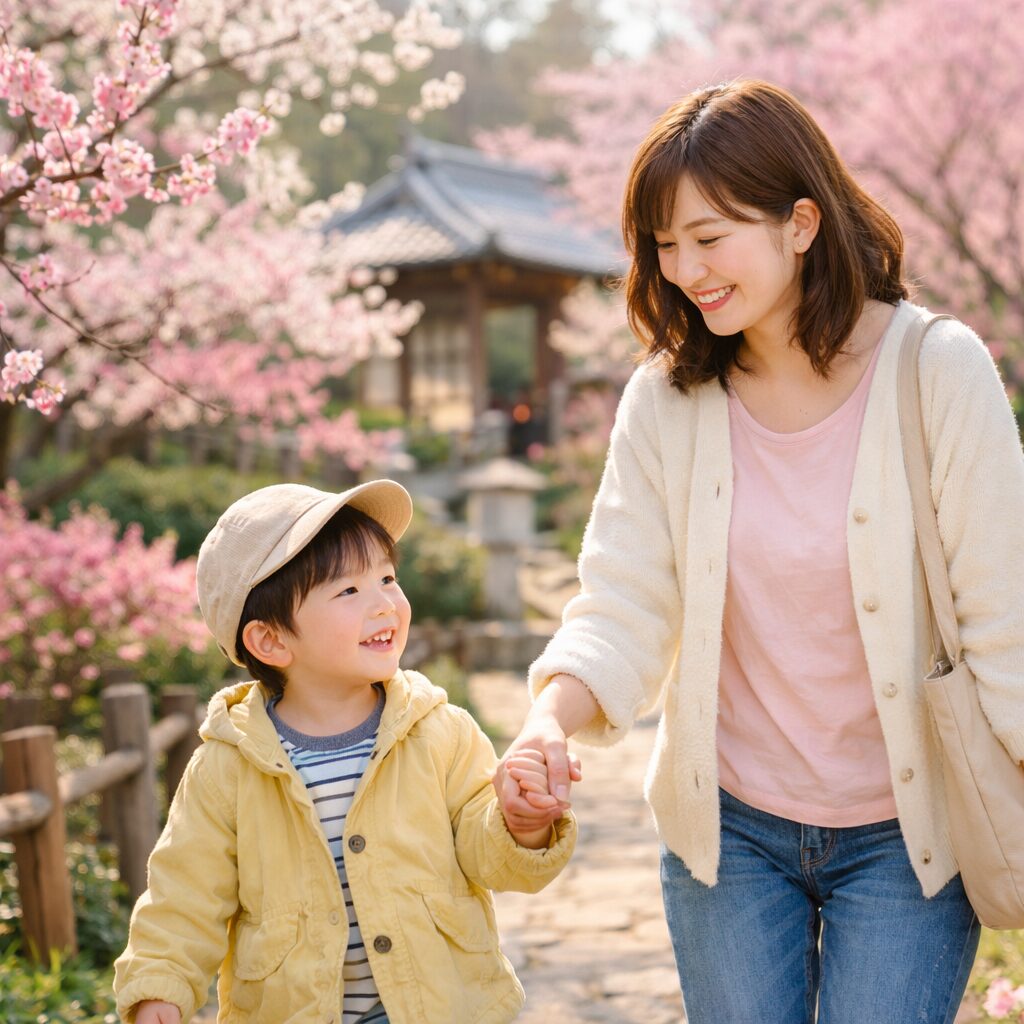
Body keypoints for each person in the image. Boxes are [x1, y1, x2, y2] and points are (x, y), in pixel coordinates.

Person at [495, 79, 1024, 1023]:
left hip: (911, 840)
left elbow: (1005, 620)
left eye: (710, 237)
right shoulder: (668, 398)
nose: (685, 268)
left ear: (802, 222)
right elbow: (624, 597)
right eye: (663, 244)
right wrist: (549, 720)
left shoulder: (937, 369)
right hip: (729, 835)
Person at [114, 480, 576, 1024]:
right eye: (348, 591)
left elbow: (486, 853)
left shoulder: (439, 731)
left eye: (386, 578)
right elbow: (183, 900)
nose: (384, 603)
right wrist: (157, 992)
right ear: (271, 641)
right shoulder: (228, 767)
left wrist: (519, 823)